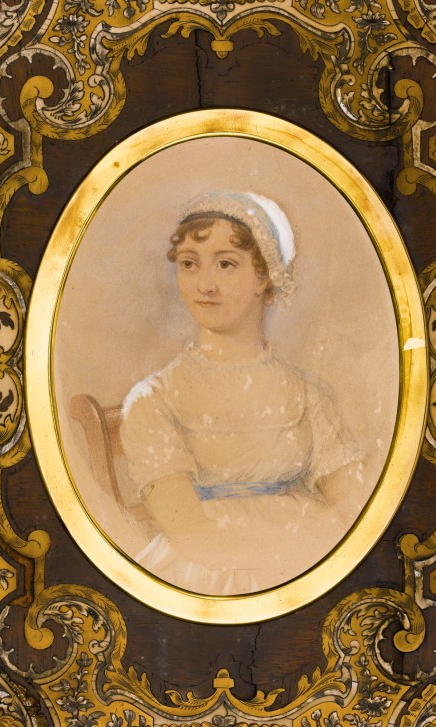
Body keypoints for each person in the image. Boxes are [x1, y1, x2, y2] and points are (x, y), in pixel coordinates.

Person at [119, 191, 361, 595]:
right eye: (189, 264)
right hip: (206, 576)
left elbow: (354, 507)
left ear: (264, 275)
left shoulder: (306, 395)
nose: (205, 285)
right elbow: (192, 535)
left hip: (310, 568)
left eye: (225, 264)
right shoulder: (152, 399)